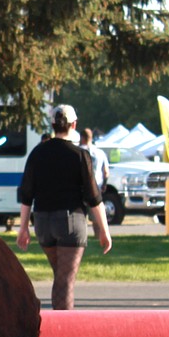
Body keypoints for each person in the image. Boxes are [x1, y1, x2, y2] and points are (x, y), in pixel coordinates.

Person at [17, 105, 111, 309]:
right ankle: (64, 331)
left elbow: (26, 194)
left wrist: (23, 228)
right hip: (70, 221)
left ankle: (58, 325)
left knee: (60, 276)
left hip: (42, 222)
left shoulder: (37, 153)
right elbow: (94, 196)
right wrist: (104, 230)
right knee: (65, 280)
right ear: (74, 125)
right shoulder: (79, 155)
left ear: (52, 125)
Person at [80, 127, 109, 194]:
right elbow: (106, 172)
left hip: (81, 188)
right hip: (96, 186)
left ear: (82, 138)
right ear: (91, 137)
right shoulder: (100, 153)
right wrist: (104, 184)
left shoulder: (78, 151)